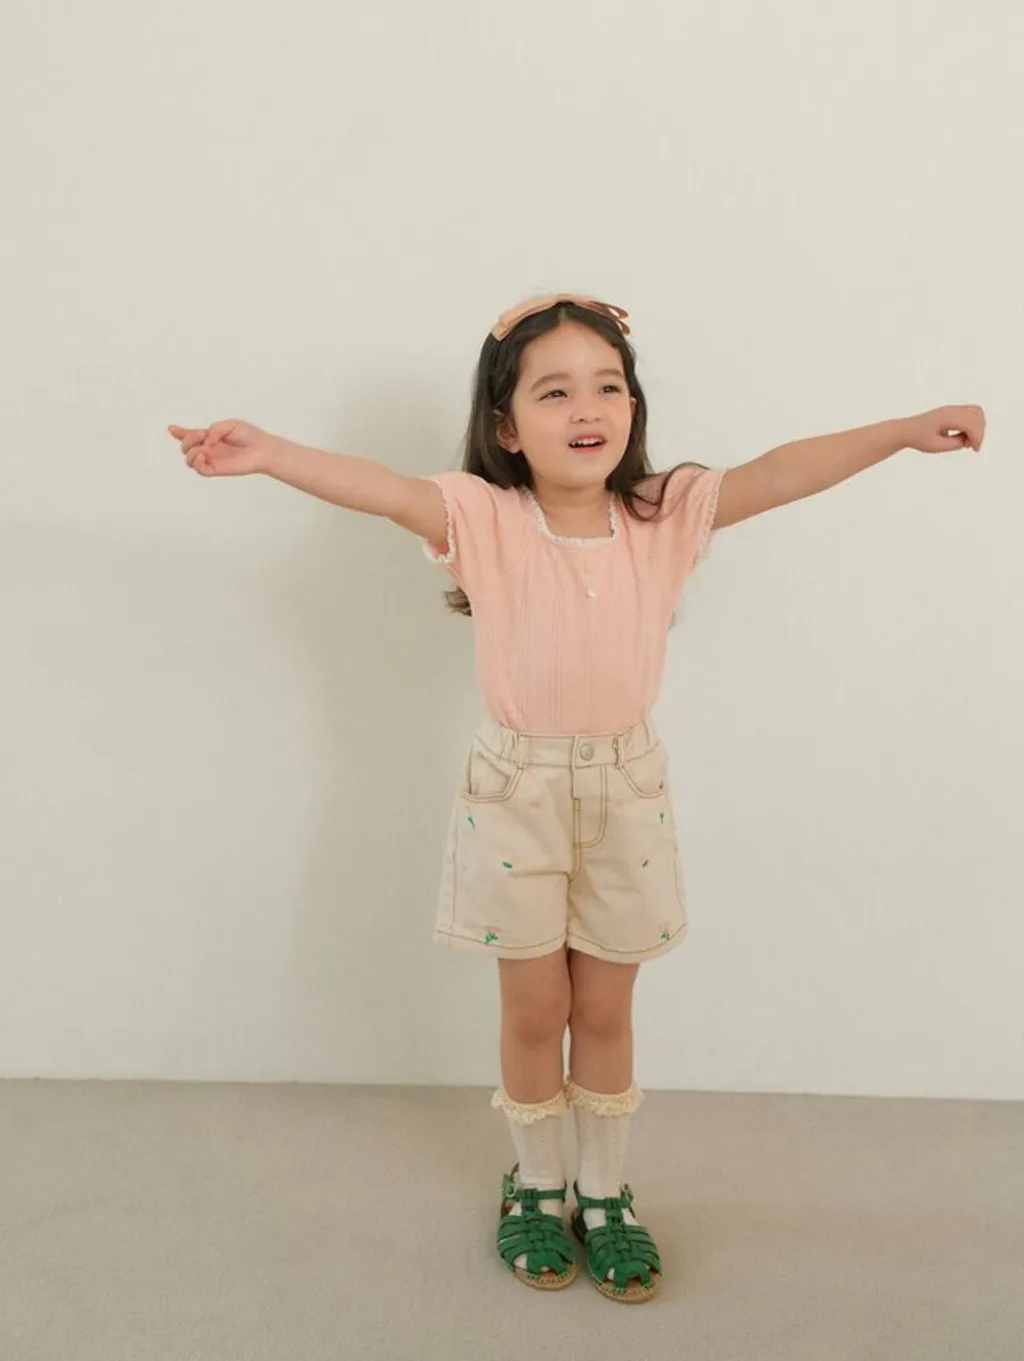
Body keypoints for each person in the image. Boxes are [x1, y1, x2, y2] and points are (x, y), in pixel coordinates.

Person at [168, 293, 985, 1304]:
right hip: (516, 795)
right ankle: (536, 1182)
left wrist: (902, 431)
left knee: (603, 1005)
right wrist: (269, 452)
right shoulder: (484, 517)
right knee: (535, 1007)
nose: (587, 408)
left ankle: (604, 1194)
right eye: (553, 392)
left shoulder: (663, 514)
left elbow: (779, 471)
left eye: (608, 387)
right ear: (507, 427)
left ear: (633, 408)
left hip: (625, 792)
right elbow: (381, 489)